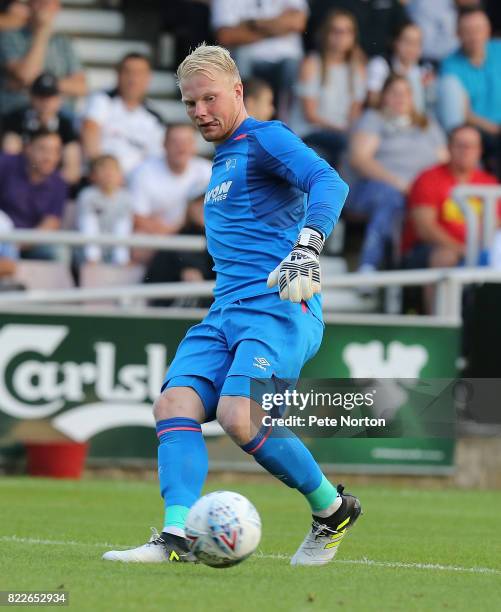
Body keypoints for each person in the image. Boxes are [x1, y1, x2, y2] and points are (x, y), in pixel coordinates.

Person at [103, 43, 359, 567]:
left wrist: (307, 245)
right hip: (225, 312)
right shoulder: (221, 160)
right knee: (173, 406)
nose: (200, 112)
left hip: (278, 308)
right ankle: (176, 536)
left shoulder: (265, 138)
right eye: (190, 103)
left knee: (237, 416)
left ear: (238, 92)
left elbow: (329, 181)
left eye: (210, 99)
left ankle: (331, 510)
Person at [348, 74, 447, 272]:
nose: (401, 98)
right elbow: (360, 159)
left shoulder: (428, 124)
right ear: (384, 96)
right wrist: (400, 184)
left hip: (421, 194)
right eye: (395, 93)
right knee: (390, 197)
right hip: (376, 189)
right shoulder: (374, 119)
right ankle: (368, 266)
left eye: (406, 93)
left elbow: (445, 161)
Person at [402, 124, 498, 269]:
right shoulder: (428, 179)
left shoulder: (489, 183)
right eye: (460, 145)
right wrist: (461, 249)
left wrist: (478, 250)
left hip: (479, 249)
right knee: (445, 256)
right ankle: (439, 293)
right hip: (429, 248)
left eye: (471, 146)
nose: (465, 151)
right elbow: (425, 228)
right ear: (448, 148)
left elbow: (496, 224)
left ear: (480, 151)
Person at [289, 8, 366, 169]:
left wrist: (347, 131)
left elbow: (355, 112)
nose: (341, 36)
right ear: (326, 34)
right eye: (336, 31)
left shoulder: (357, 68)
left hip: (340, 134)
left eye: (347, 31)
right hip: (310, 132)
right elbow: (310, 115)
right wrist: (341, 130)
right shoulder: (312, 63)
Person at [211, 0, 308, 118]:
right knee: (241, 58)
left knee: (293, 66)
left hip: (286, 60)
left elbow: (298, 22)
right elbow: (226, 36)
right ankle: (242, 119)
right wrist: (278, 26)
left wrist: (254, 24)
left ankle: (285, 124)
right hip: (246, 59)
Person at [438, 8, 501, 175]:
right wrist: (494, 128)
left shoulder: (499, 50)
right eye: (468, 31)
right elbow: (464, 113)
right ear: (458, 34)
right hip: (480, 130)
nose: (475, 37)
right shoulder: (450, 65)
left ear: (488, 30)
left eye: (479, 30)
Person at [81, 53, 165, 177]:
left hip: (136, 184)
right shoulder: (102, 100)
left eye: (139, 73)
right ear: (118, 74)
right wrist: (100, 171)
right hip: (100, 178)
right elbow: (89, 130)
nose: (133, 79)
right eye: (128, 72)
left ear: (148, 78)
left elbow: (156, 157)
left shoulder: (155, 117)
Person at [0, 0, 86, 115]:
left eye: (48, 3)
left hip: (59, 117)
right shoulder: (9, 37)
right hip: (18, 114)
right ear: (29, 5)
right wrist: (43, 31)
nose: (43, 7)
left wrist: (46, 84)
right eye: (39, 2)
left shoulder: (63, 42)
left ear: (57, 7)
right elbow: (26, 75)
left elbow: (81, 87)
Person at [130, 123, 212, 237]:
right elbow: (136, 217)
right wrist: (172, 232)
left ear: (194, 145)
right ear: (164, 144)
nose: (181, 147)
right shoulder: (144, 171)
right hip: (156, 236)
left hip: (195, 234)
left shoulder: (209, 171)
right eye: (175, 141)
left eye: (186, 142)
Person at [2, 72, 81, 185]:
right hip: (19, 183)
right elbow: (9, 160)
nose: (46, 102)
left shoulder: (66, 125)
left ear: (59, 99)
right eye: (41, 96)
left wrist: (49, 185)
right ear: (31, 97)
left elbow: (72, 170)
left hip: (53, 186)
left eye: (50, 96)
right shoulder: (15, 120)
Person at [0, 128, 67, 260]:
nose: (49, 157)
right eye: (43, 149)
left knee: (59, 251)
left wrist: (16, 245)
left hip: (31, 243)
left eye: (55, 151)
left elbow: (51, 222)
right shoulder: (6, 164)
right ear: (28, 148)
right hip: (1, 235)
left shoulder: (59, 182)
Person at [76, 155, 133, 266]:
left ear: (120, 175)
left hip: (113, 255)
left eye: (113, 169)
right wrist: (92, 257)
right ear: (93, 176)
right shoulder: (87, 196)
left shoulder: (126, 198)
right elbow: (88, 226)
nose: (108, 173)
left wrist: (122, 258)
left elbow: (123, 228)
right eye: (103, 168)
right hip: (86, 255)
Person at [366, 21, 431, 113]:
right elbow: (372, 101)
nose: (412, 47)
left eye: (417, 42)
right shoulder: (380, 65)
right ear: (395, 42)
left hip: (414, 122)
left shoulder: (424, 70)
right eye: (407, 41)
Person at [305, 0, 408, 58]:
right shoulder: (330, 3)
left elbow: (406, 29)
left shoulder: (390, 4)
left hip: (383, 62)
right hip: (341, 61)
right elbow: (312, 33)